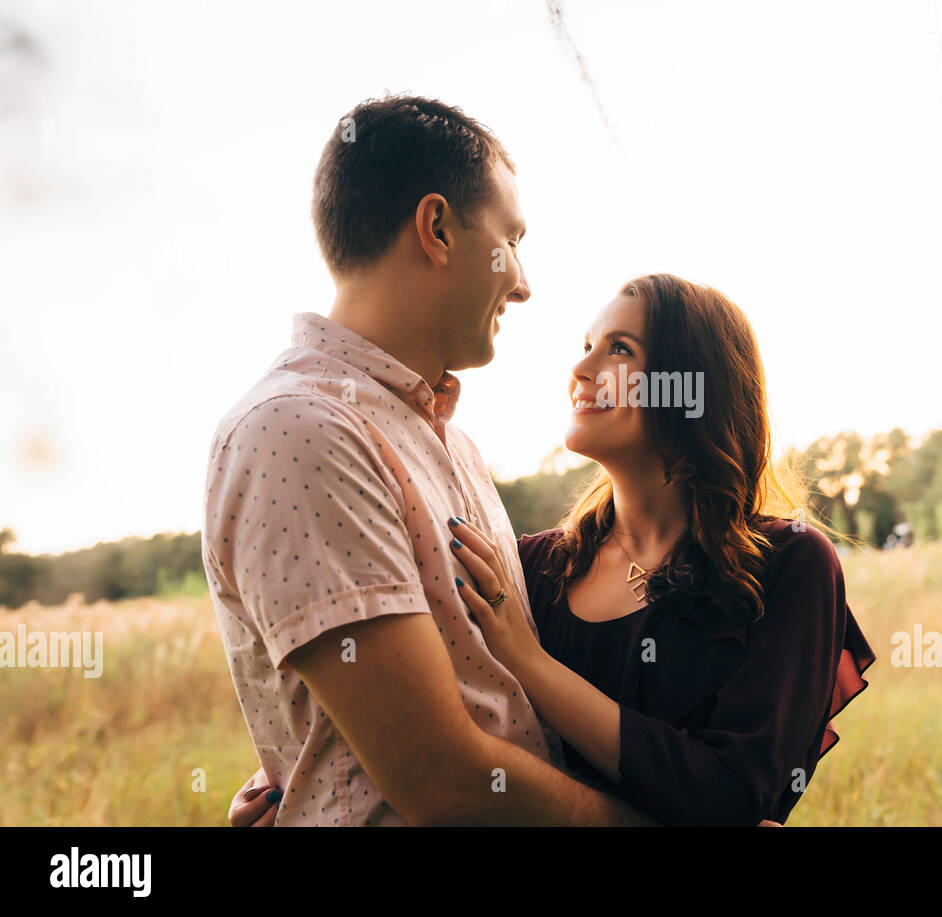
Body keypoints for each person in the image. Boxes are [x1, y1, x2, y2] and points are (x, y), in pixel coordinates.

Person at [227, 269, 876, 826]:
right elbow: (434, 716)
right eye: (586, 344)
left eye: (618, 349)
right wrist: (292, 787)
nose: (581, 368)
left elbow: (733, 796)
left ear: (688, 384)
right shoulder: (530, 565)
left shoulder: (788, 565)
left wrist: (533, 663)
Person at [203, 94, 655, 825]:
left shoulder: (451, 445)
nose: (524, 281)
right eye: (511, 239)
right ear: (437, 228)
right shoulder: (300, 430)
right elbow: (442, 778)